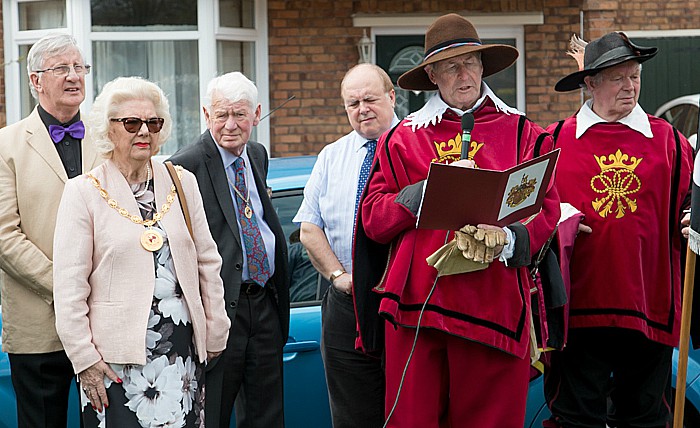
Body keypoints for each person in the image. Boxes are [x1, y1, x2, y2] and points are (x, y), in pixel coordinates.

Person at [352, 13, 561, 428]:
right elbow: (373, 219)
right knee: (413, 420)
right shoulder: (402, 137)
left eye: (471, 62)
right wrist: (416, 197)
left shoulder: (524, 133)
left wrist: (507, 239)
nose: (463, 74)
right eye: (450, 66)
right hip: (418, 308)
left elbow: (548, 209)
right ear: (432, 74)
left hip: (495, 305)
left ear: (484, 66)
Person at [53, 76, 230, 427]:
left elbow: (208, 261)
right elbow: (69, 287)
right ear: (109, 129)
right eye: (132, 123)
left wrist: (215, 328)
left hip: (182, 356)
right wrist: (84, 359)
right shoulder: (83, 193)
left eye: (153, 123)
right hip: (115, 360)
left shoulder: (181, 181)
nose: (144, 132)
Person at [542, 32, 694, 428]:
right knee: (575, 419)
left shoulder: (671, 144)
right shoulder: (554, 142)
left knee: (645, 419)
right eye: (618, 78)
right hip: (577, 312)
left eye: (635, 76)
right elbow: (528, 213)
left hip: (650, 306)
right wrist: (556, 217)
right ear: (589, 83)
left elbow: (692, 210)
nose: (630, 86)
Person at [168, 71, 290, 428]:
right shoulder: (184, 166)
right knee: (215, 413)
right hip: (219, 312)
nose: (231, 124)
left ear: (257, 114)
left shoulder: (257, 154)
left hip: (264, 305)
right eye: (221, 115)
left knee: (267, 415)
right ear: (207, 116)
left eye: (240, 114)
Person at [0, 33, 102, 428]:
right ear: (35, 80)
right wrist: (67, 288)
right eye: (62, 68)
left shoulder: (109, 137)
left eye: (79, 67)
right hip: (38, 325)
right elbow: (5, 237)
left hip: (103, 320)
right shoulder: (5, 145)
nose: (74, 76)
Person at [293, 63, 399, 428]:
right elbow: (309, 228)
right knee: (353, 417)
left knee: (409, 411)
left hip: (406, 300)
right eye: (351, 103)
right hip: (347, 302)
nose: (362, 109)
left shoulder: (416, 147)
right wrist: (338, 276)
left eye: (369, 99)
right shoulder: (332, 155)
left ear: (391, 97)